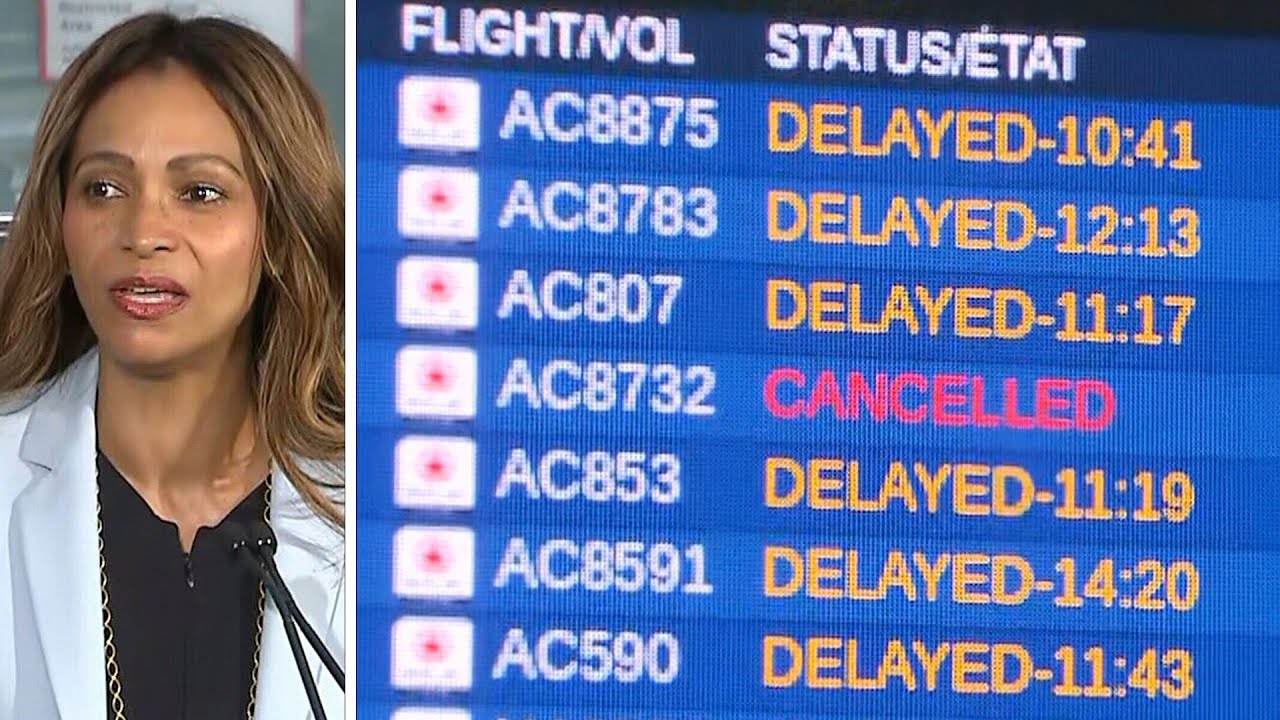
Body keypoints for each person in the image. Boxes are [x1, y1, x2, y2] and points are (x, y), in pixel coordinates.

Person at [0, 11, 345, 720]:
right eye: (102, 188)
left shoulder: (385, 510)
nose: (144, 233)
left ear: (279, 231)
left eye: (200, 193)